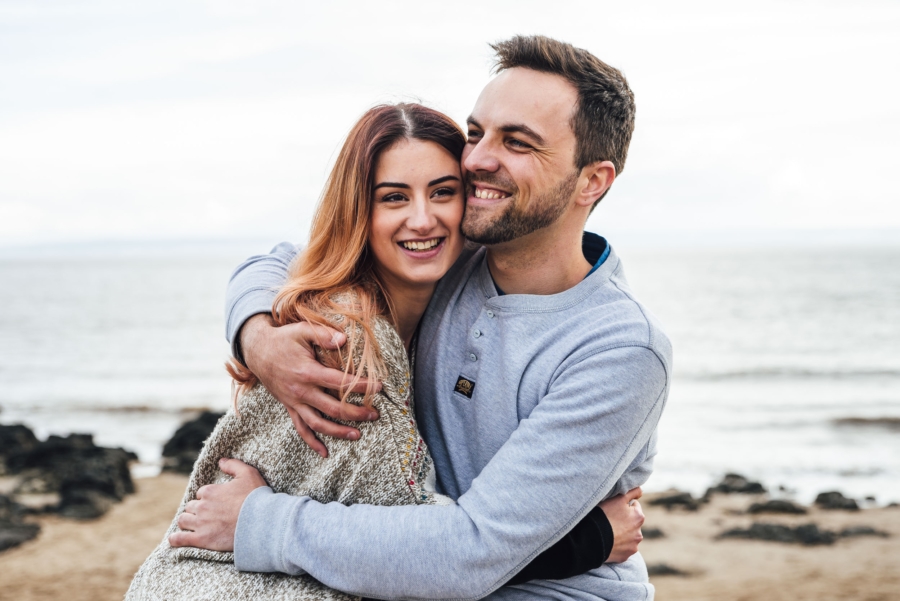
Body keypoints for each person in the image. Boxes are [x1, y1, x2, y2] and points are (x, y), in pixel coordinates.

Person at [174, 35, 671, 601]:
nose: (478, 158)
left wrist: (258, 522)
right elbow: (280, 261)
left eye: (518, 142)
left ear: (592, 181)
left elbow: (470, 553)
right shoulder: (450, 255)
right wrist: (258, 338)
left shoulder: (620, 350)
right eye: (478, 132)